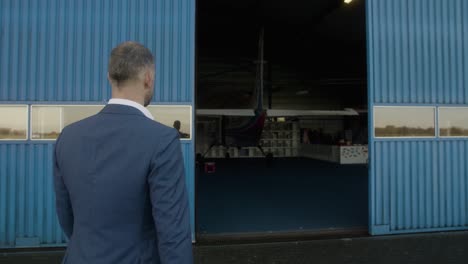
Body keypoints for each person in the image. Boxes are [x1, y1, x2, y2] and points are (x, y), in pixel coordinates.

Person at [53, 41, 193, 264]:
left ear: (110, 77)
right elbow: (172, 231)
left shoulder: (68, 136)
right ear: (148, 78)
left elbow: (67, 216)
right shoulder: (162, 140)